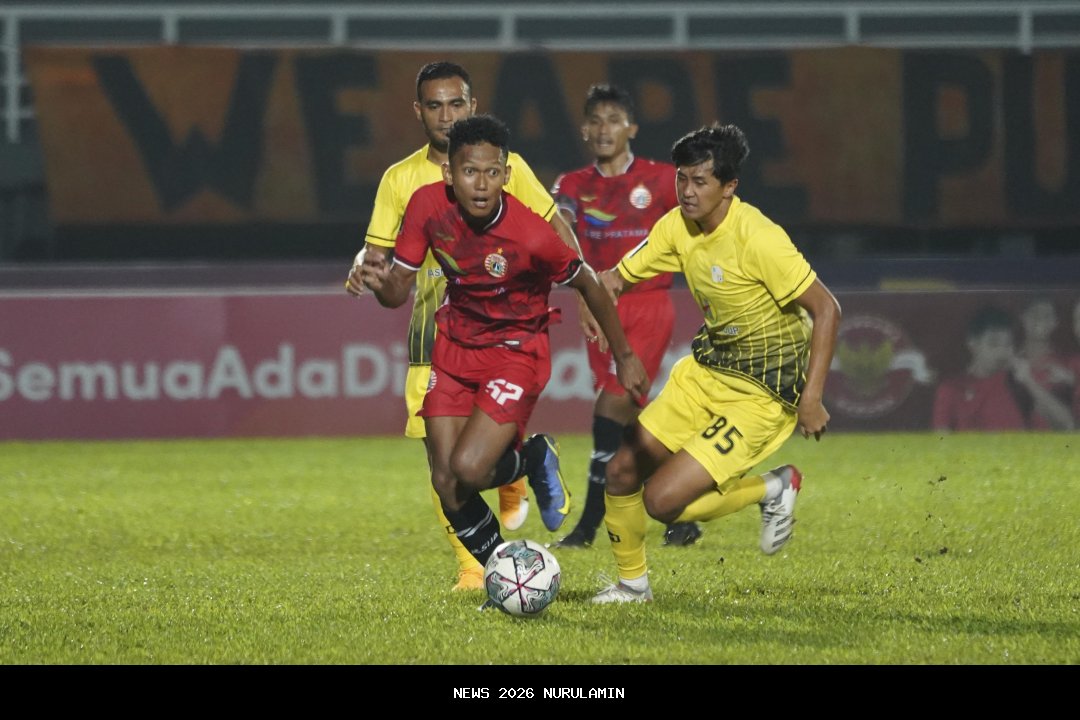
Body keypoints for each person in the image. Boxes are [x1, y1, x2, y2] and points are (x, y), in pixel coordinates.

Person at [360, 114, 649, 579]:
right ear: (449, 174)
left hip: (516, 352)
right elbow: (396, 293)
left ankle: (531, 457)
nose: (481, 184)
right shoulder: (425, 206)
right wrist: (379, 283)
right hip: (454, 348)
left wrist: (625, 356)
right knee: (446, 483)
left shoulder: (530, 233)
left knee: (470, 470)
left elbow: (590, 283)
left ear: (506, 176)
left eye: (492, 172)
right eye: (470, 172)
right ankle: (508, 575)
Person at [345, 61, 589, 592]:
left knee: (469, 462)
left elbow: (552, 228)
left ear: (472, 107)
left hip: (499, 337)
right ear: (419, 112)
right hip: (433, 340)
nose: (447, 115)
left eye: (456, 104)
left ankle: (479, 568)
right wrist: (361, 265)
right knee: (444, 470)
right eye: (435, 106)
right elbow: (379, 254)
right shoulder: (399, 179)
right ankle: (495, 560)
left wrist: (587, 292)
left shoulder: (506, 165)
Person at [589, 123, 842, 604]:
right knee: (622, 470)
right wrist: (602, 316)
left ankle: (774, 486)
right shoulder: (676, 226)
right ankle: (632, 586)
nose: (686, 191)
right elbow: (613, 280)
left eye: (700, 182)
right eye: (681, 178)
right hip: (704, 374)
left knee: (663, 502)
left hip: (761, 396)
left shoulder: (760, 239)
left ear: (730, 187)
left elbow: (827, 308)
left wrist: (811, 398)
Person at [549, 83, 701, 549]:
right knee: (628, 422)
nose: (602, 129)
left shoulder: (661, 180)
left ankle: (589, 525)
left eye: (613, 120)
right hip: (599, 310)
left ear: (632, 128)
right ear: (583, 129)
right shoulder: (572, 185)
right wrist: (583, 297)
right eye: (594, 121)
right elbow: (561, 229)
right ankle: (683, 508)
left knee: (607, 411)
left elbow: (697, 233)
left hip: (649, 305)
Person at [933, 305, 1073, 431]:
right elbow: (941, 442)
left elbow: (1066, 425)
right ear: (973, 344)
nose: (1002, 351)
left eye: (1008, 344)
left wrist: (1029, 381)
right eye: (994, 344)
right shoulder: (951, 388)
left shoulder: (1018, 382)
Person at [1016, 296, 1074, 430]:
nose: (1041, 319)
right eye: (1035, 313)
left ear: (1056, 322)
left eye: (1047, 315)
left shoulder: (1067, 364)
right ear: (1023, 317)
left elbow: (1070, 423)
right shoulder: (1007, 361)